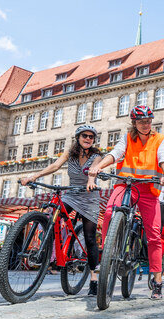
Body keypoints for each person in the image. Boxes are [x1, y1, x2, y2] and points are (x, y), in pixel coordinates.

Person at [88, 105, 164, 300]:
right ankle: (110, 251)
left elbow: (163, 159)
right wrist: (98, 167)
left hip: (149, 189)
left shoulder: (159, 139)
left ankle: (157, 281)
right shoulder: (127, 138)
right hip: (126, 185)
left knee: (153, 236)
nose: (146, 125)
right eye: (142, 122)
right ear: (134, 122)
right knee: (109, 212)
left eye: (149, 121)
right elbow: (115, 154)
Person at [21, 125, 104, 294]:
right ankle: (52, 245)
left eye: (91, 137)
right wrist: (33, 176)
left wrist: (91, 181)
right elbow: (55, 166)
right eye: (85, 136)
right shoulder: (70, 153)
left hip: (89, 196)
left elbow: (93, 171)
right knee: (54, 211)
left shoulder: (96, 156)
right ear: (78, 138)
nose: (88, 139)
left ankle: (94, 278)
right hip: (72, 193)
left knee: (89, 237)